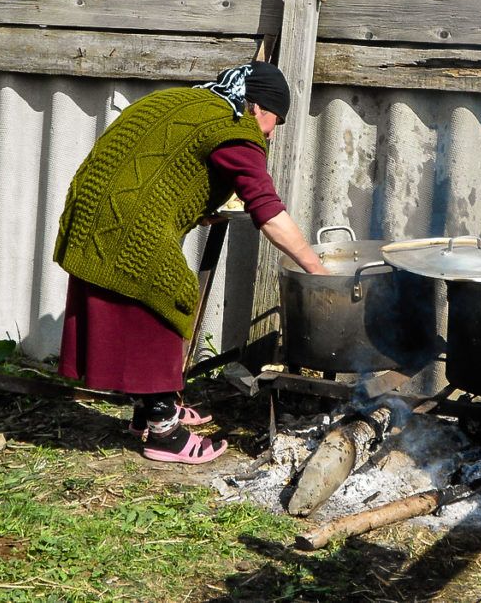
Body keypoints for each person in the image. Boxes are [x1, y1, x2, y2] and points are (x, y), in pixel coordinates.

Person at [53, 61, 328, 464]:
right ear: (258, 108)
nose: (271, 132)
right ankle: (164, 433)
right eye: (275, 121)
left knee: (136, 313)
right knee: (169, 301)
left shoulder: (186, 99)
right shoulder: (235, 128)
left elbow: (156, 166)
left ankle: (148, 411)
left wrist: (196, 207)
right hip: (124, 223)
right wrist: (317, 270)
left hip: (89, 210)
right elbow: (267, 213)